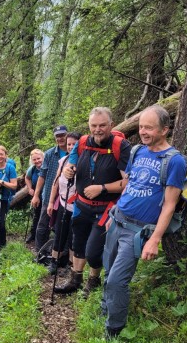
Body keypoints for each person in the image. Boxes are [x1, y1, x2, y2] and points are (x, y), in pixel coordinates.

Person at [102, 105, 186, 339]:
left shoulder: (174, 162)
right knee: (108, 271)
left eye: (149, 128)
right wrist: (114, 212)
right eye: (141, 127)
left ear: (165, 130)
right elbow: (129, 185)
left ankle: (114, 330)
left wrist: (155, 240)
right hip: (117, 220)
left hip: (137, 232)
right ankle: (105, 307)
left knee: (118, 280)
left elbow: (169, 204)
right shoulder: (138, 151)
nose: (143, 132)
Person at [56, 107, 131, 296]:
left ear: (111, 125)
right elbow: (71, 161)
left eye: (102, 125)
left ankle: (93, 280)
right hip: (81, 205)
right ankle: (75, 279)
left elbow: (128, 182)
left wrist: (102, 188)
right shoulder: (82, 142)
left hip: (106, 209)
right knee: (78, 243)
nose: (98, 129)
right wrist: (68, 170)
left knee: (93, 251)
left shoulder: (120, 147)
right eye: (94, 125)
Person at [46, 132, 81, 275]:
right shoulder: (63, 160)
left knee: (74, 235)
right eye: (69, 144)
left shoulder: (85, 160)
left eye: (74, 144)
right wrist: (50, 202)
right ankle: (54, 261)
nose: (71, 147)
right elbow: (56, 183)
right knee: (60, 232)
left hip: (78, 205)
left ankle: (71, 264)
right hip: (62, 202)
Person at [32, 125, 69, 252]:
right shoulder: (49, 154)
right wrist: (36, 195)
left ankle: (61, 253)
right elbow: (42, 175)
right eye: (57, 136)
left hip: (67, 196)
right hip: (49, 194)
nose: (60, 138)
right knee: (43, 224)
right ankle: (39, 251)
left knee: (63, 226)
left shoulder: (74, 152)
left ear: (67, 135)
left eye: (62, 135)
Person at [25, 149, 44, 243]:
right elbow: (27, 178)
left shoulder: (47, 167)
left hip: (47, 194)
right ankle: (33, 234)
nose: (37, 161)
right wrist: (29, 189)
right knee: (36, 214)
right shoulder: (32, 169)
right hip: (36, 195)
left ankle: (43, 235)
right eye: (34, 159)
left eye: (38, 158)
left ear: (43, 157)